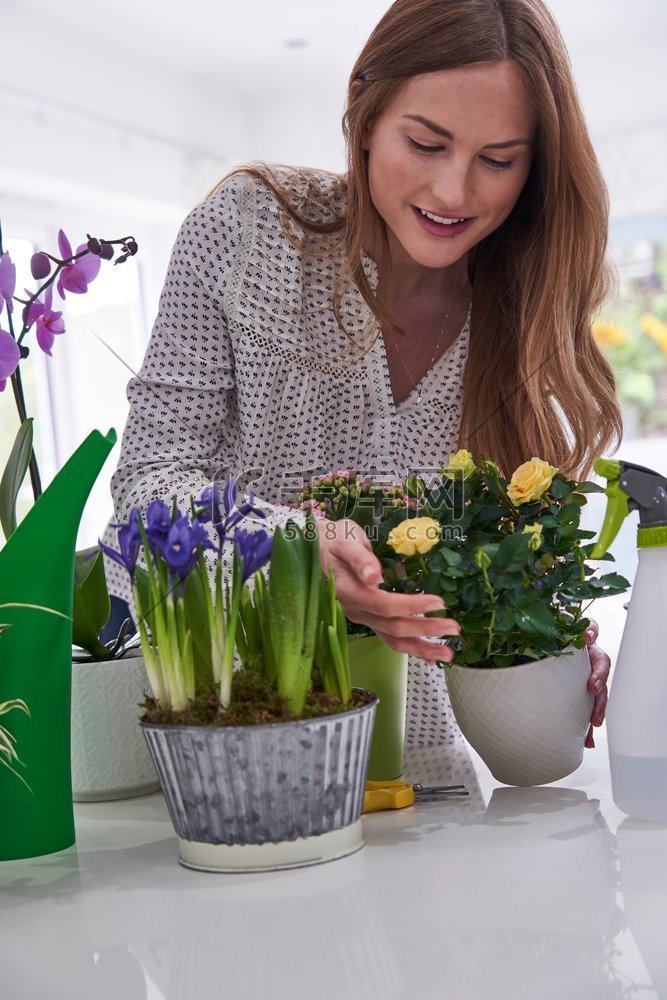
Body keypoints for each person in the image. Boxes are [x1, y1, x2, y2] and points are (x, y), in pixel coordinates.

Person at [104, 0, 621, 747]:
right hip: (233, 742)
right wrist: (289, 548)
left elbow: (487, 562)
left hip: (423, 774)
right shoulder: (250, 230)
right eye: (425, 143)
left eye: (497, 159)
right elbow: (145, 492)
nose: (454, 193)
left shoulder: (528, 301)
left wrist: (534, 643)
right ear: (365, 115)